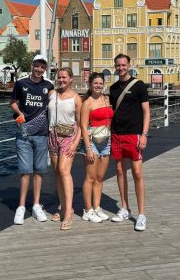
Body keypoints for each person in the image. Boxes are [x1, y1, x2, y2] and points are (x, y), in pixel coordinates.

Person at [10, 54, 53, 225]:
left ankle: (36, 205)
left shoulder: (48, 85)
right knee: (25, 171)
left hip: (42, 134)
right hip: (24, 134)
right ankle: (21, 207)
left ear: (45, 69)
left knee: (39, 171)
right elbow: (13, 102)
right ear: (32, 65)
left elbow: (56, 100)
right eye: (37, 66)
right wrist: (19, 113)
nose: (39, 69)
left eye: (42, 67)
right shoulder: (21, 83)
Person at [109, 54, 150, 231]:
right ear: (115, 67)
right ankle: (124, 207)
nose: (121, 68)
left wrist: (144, 134)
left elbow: (146, 112)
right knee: (119, 170)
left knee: (137, 173)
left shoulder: (139, 85)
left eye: (123, 65)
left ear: (129, 65)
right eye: (118, 65)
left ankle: (141, 214)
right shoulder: (112, 88)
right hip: (117, 134)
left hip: (134, 135)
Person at [47, 67, 82, 230]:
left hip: (69, 136)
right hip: (52, 135)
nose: (61, 80)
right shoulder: (52, 94)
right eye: (59, 77)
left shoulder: (76, 98)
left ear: (71, 79)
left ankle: (68, 212)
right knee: (57, 172)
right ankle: (62, 206)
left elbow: (82, 124)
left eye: (64, 77)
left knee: (64, 170)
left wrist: (76, 142)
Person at [79, 72, 114, 224]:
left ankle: (97, 206)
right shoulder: (87, 103)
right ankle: (87, 210)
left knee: (100, 178)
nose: (98, 86)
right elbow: (83, 126)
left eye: (101, 83)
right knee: (90, 177)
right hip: (92, 142)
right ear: (90, 85)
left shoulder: (106, 99)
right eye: (95, 83)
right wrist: (88, 148)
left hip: (106, 141)